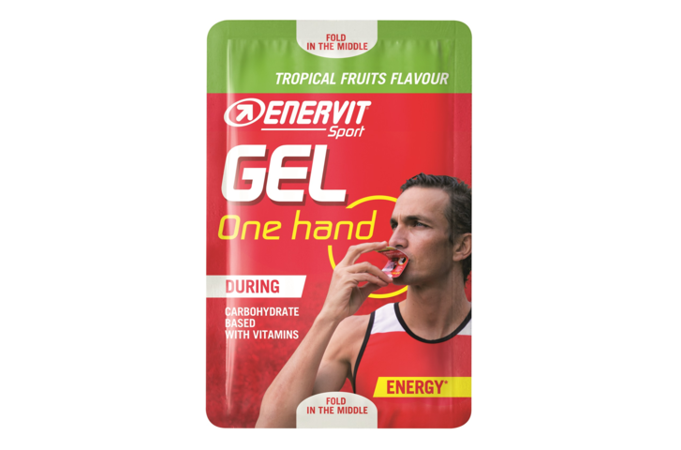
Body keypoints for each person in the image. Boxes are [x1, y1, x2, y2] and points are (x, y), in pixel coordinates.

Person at [255, 174, 472, 428]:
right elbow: (271, 429)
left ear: (461, 246)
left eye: (418, 224)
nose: (395, 240)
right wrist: (329, 317)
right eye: (395, 225)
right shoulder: (355, 334)